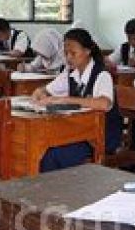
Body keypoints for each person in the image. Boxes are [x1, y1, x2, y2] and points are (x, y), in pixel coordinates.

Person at [31, 28, 123, 171]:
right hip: (79, 132)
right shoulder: (70, 73)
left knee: (53, 154)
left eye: (73, 53)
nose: (68, 58)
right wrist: (40, 95)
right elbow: (44, 90)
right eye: (66, 53)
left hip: (102, 137)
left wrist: (67, 100)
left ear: (87, 51)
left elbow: (104, 104)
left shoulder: (102, 75)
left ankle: (59, 189)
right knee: (42, 146)